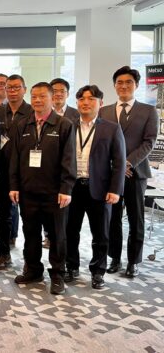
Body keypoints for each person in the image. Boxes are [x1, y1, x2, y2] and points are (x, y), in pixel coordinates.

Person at [9, 82, 76, 295]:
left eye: (42, 96)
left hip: (55, 193)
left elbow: (69, 159)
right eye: (34, 97)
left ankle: (57, 274)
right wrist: (14, 185)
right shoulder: (23, 124)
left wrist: (66, 188)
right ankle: (33, 270)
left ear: (52, 98)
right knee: (30, 233)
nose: (37, 100)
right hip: (28, 191)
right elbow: (15, 157)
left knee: (57, 235)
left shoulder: (64, 125)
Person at [65, 85, 125, 289]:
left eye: (91, 99)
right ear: (77, 103)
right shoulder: (68, 126)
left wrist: (115, 189)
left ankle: (98, 271)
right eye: (82, 99)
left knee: (100, 234)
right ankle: (71, 267)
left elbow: (119, 162)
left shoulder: (111, 128)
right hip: (72, 188)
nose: (86, 102)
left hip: (99, 189)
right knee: (70, 231)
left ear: (100, 103)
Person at [100, 66, 158, 278]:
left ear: (137, 85)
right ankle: (114, 258)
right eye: (120, 82)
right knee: (112, 218)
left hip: (136, 173)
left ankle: (133, 261)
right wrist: (115, 165)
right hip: (110, 173)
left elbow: (149, 142)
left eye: (128, 82)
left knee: (136, 218)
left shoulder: (148, 111)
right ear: (114, 85)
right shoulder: (104, 111)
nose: (124, 86)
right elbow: (101, 142)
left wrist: (127, 163)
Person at [0, 74, 31, 268]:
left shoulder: (31, 112)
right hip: (2, 172)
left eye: (17, 87)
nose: (13, 91)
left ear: (24, 89)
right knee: (3, 215)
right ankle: (3, 252)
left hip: (26, 173)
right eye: (9, 88)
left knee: (29, 217)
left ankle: (30, 259)